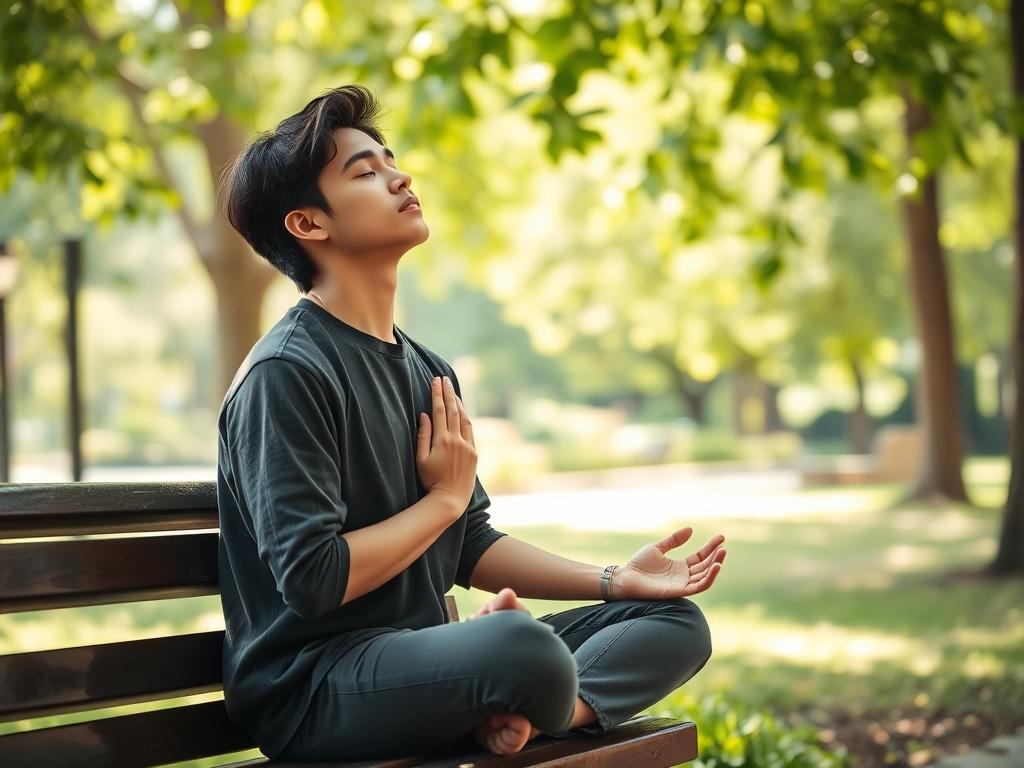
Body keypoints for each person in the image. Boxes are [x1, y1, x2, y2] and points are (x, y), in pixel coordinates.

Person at [216, 84, 727, 762]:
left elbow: (468, 543)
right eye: (365, 172)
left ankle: (538, 716)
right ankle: (519, 689)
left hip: (424, 665)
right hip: (316, 690)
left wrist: (614, 581)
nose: (399, 176)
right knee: (518, 646)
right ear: (310, 224)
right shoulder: (287, 372)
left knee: (672, 620)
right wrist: (444, 499)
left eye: (390, 160)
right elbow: (313, 579)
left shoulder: (428, 369)